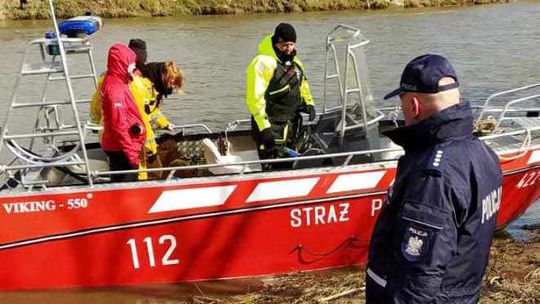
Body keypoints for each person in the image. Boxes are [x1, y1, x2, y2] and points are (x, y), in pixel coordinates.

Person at [365, 54, 503, 303]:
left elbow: (420, 276)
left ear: (414, 106)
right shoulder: (483, 154)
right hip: (462, 292)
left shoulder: (433, 175)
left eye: (403, 104)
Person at [245, 23, 316, 162]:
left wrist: (309, 103)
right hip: (270, 128)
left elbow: (303, 84)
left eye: (291, 44)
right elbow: (254, 99)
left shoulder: (296, 63)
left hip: (291, 125)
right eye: (284, 45)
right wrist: (264, 128)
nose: (288, 49)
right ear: (275, 43)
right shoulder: (263, 63)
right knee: (271, 165)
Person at [100, 43, 146, 182]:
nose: (134, 66)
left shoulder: (117, 81)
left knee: (119, 182)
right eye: (131, 63)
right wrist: (131, 154)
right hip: (121, 148)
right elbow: (118, 125)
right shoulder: (116, 90)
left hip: (119, 146)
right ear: (122, 64)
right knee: (126, 187)